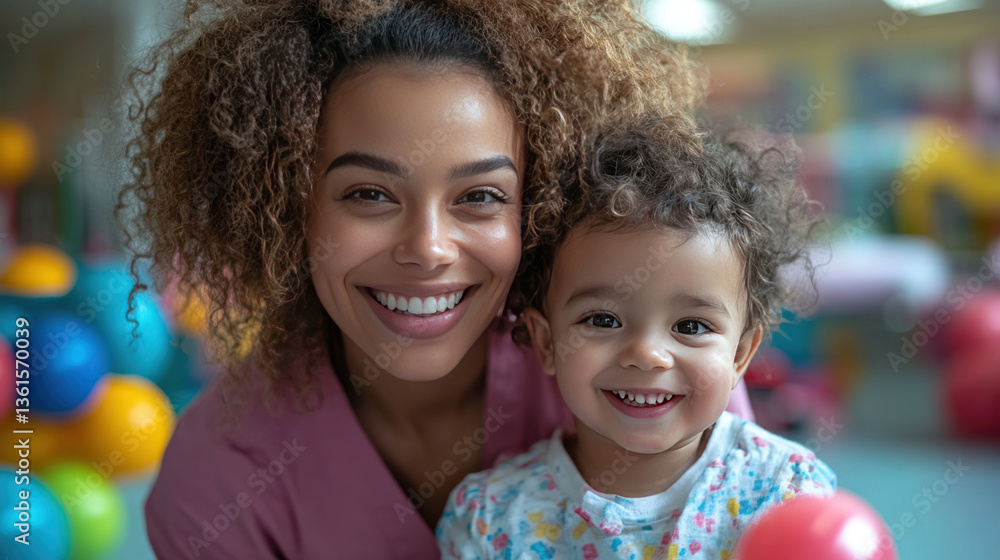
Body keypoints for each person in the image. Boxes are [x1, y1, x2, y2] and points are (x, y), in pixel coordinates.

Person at [117, 1, 755, 557]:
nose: (427, 249)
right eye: (368, 194)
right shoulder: (218, 481)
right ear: (286, 205)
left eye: (479, 196)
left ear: (536, 206)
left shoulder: (652, 364)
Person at [436, 118, 837, 559]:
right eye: (603, 320)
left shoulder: (787, 495)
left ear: (741, 354)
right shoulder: (491, 518)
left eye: (690, 326)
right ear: (547, 344)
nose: (647, 355)